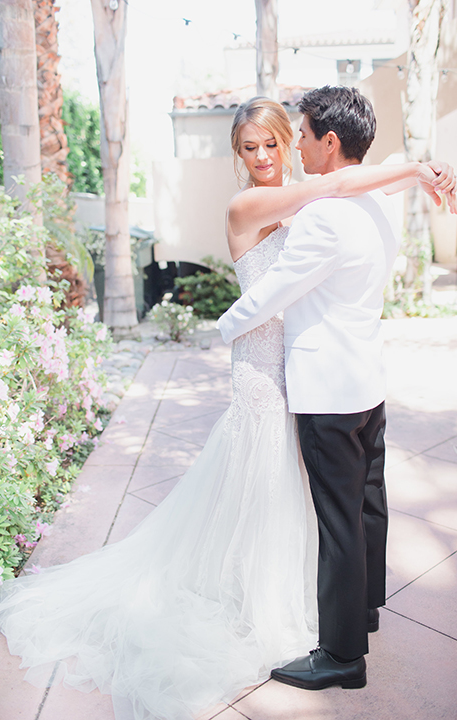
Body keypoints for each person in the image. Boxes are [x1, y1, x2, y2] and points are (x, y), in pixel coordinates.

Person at [0, 94, 455, 719]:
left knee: (317, 499)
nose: (261, 157)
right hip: (266, 368)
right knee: (274, 487)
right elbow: (342, 181)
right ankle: (291, 607)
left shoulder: (324, 203)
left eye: (273, 144)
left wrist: (410, 171)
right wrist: (415, 170)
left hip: (311, 371)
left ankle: (330, 615)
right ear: (239, 156)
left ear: (296, 142)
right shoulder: (256, 204)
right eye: (248, 148)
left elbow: (344, 181)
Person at [217, 87, 455, 693]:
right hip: (366, 382)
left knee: (339, 521)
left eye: (293, 135)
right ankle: (365, 611)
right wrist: (419, 172)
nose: (287, 145)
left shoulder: (325, 211)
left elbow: (276, 293)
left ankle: (342, 655)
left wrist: (224, 325)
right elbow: (364, 182)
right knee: (368, 503)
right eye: (262, 143)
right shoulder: (373, 204)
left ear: (327, 142)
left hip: (325, 388)